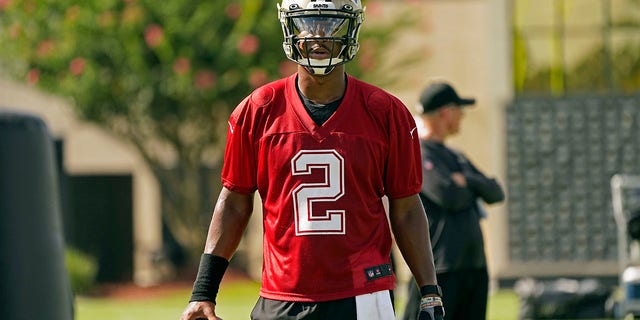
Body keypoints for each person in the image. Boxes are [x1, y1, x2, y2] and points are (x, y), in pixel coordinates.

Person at [179, 1, 444, 319]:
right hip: (281, 296)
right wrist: (203, 291)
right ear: (291, 29)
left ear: (351, 29)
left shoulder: (386, 113)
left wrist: (429, 291)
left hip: (362, 294)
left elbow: (406, 209)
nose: (319, 35)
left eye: (332, 24)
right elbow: (235, 203)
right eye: (308, 23)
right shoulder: (257, 110)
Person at [401, 82, 505, 320]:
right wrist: (471, 187)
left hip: (473, 266)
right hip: (440, 269)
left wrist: (466, 180)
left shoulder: (456, 156)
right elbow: (448, 195)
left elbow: (495, 192)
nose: (462, 117)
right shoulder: (418, 151)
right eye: (459, 110)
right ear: (445, 112)